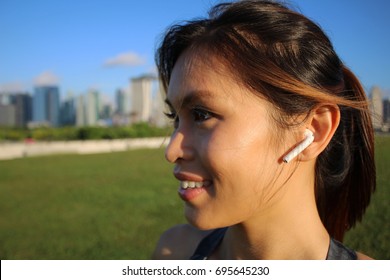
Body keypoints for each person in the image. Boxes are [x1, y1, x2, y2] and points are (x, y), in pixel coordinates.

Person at [152, 0, 375, 260]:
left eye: (202, 115)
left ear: (313, 130)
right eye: (176, 118)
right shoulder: (174, 251)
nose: (172, 150)